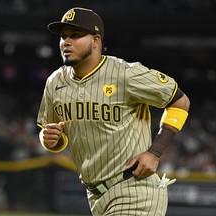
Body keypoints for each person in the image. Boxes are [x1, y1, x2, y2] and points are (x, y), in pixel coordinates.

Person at [37, 7, 190, 216]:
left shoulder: (125, 74)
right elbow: (54, 136)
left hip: (134, 190)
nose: (66, 42)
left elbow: (180, 101)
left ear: (96, 40)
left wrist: (155, 152)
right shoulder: (55, 82)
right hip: (96, 198)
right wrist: (49, 139)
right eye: (63, 36)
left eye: (75, 35)